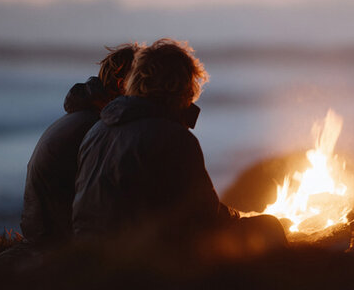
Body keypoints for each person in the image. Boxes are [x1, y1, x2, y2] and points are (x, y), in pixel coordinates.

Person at [73, 39, 284, 257]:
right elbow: (204, 213)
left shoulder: (96, 130)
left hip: (88, 253)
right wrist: (241, 217)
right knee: (270, 227)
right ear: (181, 87)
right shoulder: (172, 137)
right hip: (136, 258)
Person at [21, 43, 137, 247]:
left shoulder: (84, 117)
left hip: (40, 229)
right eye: (143, 79)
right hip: (56, 240)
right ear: (122, 85)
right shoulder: (99, 127)